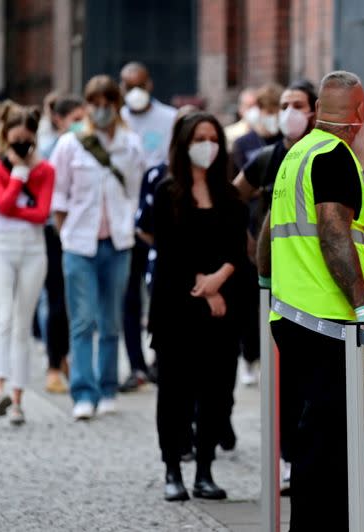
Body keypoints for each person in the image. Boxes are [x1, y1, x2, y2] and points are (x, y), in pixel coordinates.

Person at [265, 70, 364, 531]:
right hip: (329, 321)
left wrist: (264, 282)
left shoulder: (296, 154)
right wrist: (363, 306)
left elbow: (266, 231)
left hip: (291, 315)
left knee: (312, 436)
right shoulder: (335, 155)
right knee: (330, 444)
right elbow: (335, 231)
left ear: (317, 111)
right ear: (360, 113)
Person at [149, 111, 246, 502]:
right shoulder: (167, 192)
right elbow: (169, 250)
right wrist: (205, 288)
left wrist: (220, 278)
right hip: (177, 306)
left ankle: (205, 470)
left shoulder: (229, 196)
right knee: (174, 391)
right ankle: (173, 467)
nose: (208, 145)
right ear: (184, 143)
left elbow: (238, 247)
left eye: (213, 138)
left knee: (216, 391)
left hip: (221, 309)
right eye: (199, 137)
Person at [50, 75, 144, 420]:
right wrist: (65, 235)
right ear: (88, 105)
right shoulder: (70, 145)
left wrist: (128, 223)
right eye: (95, 104)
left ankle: (107, 387)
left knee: (110, 320)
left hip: (118, 242)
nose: (102, 110)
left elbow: (134, 191)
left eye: (108, 103)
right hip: (79, 243)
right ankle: (83, 391)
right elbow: (59, 196)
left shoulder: (130, 145)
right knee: (82, 320)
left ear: (116, 105)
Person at [238, 79, 317, 490]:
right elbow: (234, 199)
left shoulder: (325, 156)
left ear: (314, 111)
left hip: (313, 282)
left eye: (297, 104)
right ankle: (286, 457)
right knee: (282, 375)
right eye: (284, 104)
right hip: (273, 281)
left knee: (311, 377)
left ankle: (309, 457)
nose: (289, 112)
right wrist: (251, 244)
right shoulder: (266, 158)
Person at [117, 62, 177, 393]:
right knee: (130, 296)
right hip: (127, 221)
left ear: (150, 83)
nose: (135, 90)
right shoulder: (117, 120)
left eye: (140, 83)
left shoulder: (167, 118)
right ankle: (135, 363)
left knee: (160, 292)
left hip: (159, 217)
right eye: (128, 85)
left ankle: (158, 357)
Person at [0, 102, 54, 424]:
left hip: (33, 251)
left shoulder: (46, 170)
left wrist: (23, 177)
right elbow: (2, 205)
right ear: (5, 136)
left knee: (22, 324)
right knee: (2, 317)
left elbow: (42, 213)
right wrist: (17, 173)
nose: (20, 143)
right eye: (15, 137)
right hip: (1, 249)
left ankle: (18, 396)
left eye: (26, 138)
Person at [40, 94, 85, 394]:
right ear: (60, 119)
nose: (81, 125)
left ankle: (69, 361)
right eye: (76, 119)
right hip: (54, 233)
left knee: (74, 304)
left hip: (80, 231)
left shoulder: (86, 145)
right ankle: (54, 364)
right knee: (57, 301)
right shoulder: (48, 150)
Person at [232, 82, 284, 173]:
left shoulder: (287, 141)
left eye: (278, 113)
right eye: (270, 112)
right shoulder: (242, 143)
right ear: (259, 110)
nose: (275, 117)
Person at [224, 87, 257, 152]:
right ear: (241, 109)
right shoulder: (229, 134)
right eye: (249, 106)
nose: (254, 110)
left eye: (256, 106)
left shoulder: (267, 134)